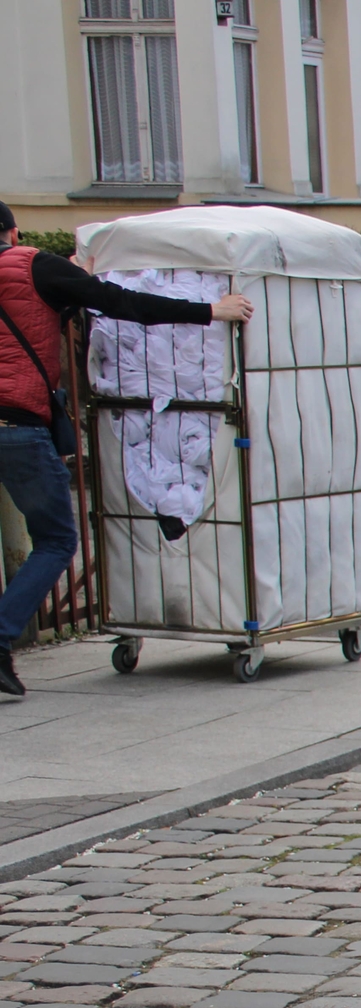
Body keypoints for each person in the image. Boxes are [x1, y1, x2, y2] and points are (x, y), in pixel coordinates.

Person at [0, 202, 253, 698]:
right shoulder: (34, 266)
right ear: (12, 232)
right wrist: (210, 310)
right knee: (55, 540)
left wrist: (73, 285)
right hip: (16, 427)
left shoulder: (44, 275)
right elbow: (123, 304)